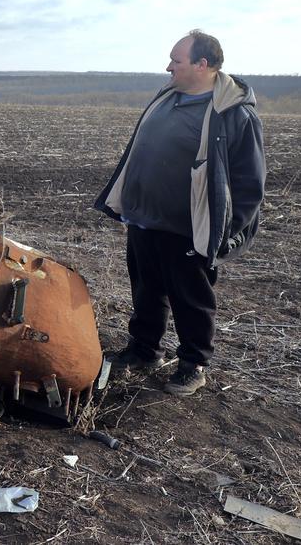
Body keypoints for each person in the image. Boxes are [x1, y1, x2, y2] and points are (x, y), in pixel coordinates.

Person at [94, 30, 265, 396]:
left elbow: (250, 183)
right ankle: (144, 351)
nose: (168, 66)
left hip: (189, 228)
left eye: (177, 60)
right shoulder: (167, 97)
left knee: (192, 299)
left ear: (203, 65)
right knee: (145, 290)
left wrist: (224, 233)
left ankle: (193, 364)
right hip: (145, 218)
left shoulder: (233, 114)